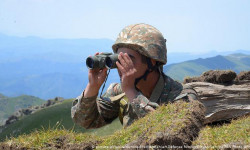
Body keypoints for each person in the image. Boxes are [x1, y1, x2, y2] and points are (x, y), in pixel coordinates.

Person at [71, 23, 198, 128]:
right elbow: (85, 121)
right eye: (118, 59)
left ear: (152, 62)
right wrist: (92, 87)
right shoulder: (119, 92)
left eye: (129, 59)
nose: (121, 66)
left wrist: (131, 92)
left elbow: (167, 131)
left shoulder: (182, 96)